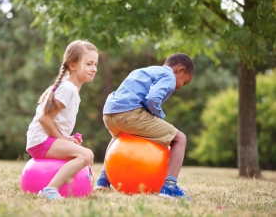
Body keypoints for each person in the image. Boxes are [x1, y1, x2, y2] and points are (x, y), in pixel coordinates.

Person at [95, 53, 194, 200]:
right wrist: (158, 116)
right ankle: (170, 187)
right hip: (129, 114)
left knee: (119, 138)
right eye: (184, 82)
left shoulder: (144, 71)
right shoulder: (169, 76)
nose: (179, 87)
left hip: (109, 114)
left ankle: (104, 180)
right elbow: (153, 99)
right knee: (180, 138)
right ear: (180, 70)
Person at [26, 40, 98, 201]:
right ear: (73, 65)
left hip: (45, 140)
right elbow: (44, 118)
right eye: (89, 64)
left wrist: (67, 139)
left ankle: (82, 186)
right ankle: (50, 190)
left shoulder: (71, 88)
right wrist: (62, 139)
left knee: (87, 157)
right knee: (87, 155)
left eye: (95, 64)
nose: (94, 69)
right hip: (40, 141)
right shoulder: (68, 89)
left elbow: (55, 121)